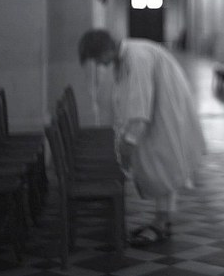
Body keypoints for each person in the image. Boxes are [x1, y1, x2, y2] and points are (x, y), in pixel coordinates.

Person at [78, 29, 207, 246]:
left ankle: (161, 223)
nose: (100, 65)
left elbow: (140, 103)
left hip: (163, 113)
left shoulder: (136, 58)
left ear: (105, 50)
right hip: (161, 111)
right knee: (161, 164)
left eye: (98, 59)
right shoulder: (128, 55)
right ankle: (161, 221)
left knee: (162, 163)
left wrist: (129, 141)